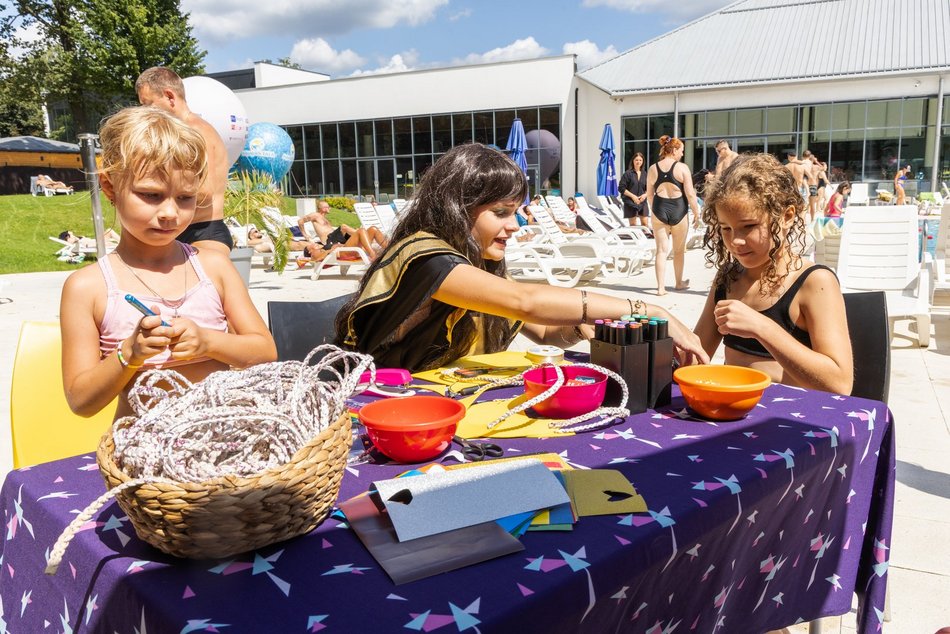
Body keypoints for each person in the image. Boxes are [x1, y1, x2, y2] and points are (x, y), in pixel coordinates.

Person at [335, 143, 709, 372]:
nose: (515, 225)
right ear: (455, 209)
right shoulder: (426, 257)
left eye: (516, 211)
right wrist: (645, 308)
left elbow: (544, 330)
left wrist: (582, 326)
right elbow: (525, 303)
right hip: (376, 418)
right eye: (500, 212)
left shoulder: (477, 264)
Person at [59, 106, 277, 419]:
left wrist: (207, 342)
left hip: (223, 441)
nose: (170, 213)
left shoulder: (214, 267)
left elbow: (265, 352)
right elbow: (81, 401)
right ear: (109, 187)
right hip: (141, 449)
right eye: (151, 195)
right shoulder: (87, 288)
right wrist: (128, 354)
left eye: (185, 198)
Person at [694, 153, 853, 394]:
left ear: (787, 216)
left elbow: (840, 383)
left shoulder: (814, 283)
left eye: (749, 226)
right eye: (725, 228)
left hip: (792, 417)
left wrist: (762, 327)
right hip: (733, 413)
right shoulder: (728, 278)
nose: (735, 241)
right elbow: (696, 356)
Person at [135, 67, 233, 255]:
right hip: (186, 231)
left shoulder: (196, 131)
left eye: (148, 104)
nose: (145, 112)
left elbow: (204, 191)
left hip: (203, 232)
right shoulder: (182, 131)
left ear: (170, 96)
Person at [646, 136, 701, 295]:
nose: (682, 154)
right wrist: (696, 213)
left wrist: (655, 210)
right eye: (681, 151)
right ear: (675, 150)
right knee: (678, 251)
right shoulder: (682, 168)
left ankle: (660, 288)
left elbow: (649, 195)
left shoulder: (652, 168)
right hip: (679, 209)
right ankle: (678, 283)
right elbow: (690, 194)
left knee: (661, 251)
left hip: (659, 208)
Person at [298, 200, 389, 256]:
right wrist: (305, 235)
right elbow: (300, 221)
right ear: (322, 208)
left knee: (372, 229)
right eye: (327, 206)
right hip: (329, 241)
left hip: (336, 239)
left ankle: (389, 248)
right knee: (343, 227)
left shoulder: (325, 219)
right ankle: (364, 236)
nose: (329, 208)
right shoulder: (315, 215)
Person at [618, 153, 649, 227]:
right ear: (633, 161)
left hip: (642, 201)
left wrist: (644, 195)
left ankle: (644, 238)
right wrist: (633, 197)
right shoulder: (627, 174)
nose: (638, 162)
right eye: (636, 160)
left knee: (645, 224)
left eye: (640, 160)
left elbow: (649, 188)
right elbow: (621, 188)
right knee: (633, 225)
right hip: (630, 202)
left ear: (643, 162)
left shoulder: (645, 174)